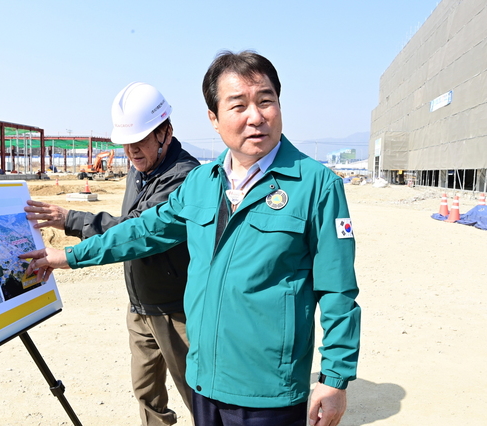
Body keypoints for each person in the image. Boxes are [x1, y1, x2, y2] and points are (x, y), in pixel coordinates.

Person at [22, 51, 361, 426]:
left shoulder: (317, 186)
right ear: (213, 119)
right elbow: (142, 230)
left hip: (269, 390)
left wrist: (335, 379)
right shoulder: (202, 183)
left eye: (266, 101)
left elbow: (338, 290)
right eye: (238, 105)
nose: (256, 116)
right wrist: (68, 257)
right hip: (203, 379)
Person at [24, 82, 200, 426]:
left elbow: (134, 233)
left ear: (166, 131)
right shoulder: (141, 168)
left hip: (176, 312)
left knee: (197, 395)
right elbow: (125, 223)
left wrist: (70, 244)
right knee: (146, 393)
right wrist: (67, 219)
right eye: (125, 144)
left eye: (140, 141)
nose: (131, 152)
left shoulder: (183, 178)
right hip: (141, 306)